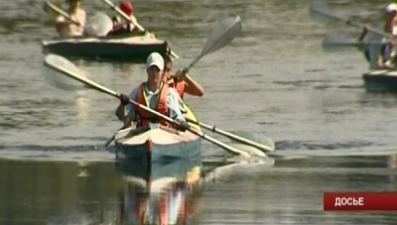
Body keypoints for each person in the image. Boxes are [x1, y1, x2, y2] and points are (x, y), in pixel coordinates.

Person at [115, 52, 189, 130]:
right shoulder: (136, 92)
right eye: (152, 69)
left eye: (157, 70)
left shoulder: (170, 94)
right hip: (142, 132)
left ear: (162, 72)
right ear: (147, 70)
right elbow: (121, 116)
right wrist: (122, 105)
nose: (154, 73)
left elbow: (177, 118)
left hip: (164, 132)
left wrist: (181, 123)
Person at [357, 3, 397, 68]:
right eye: (390, 15)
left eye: (394, 15)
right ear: (385, 16)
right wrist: (364, 33)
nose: (392, 18)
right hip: (376, 71)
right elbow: (360, 47)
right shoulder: (375, 32)